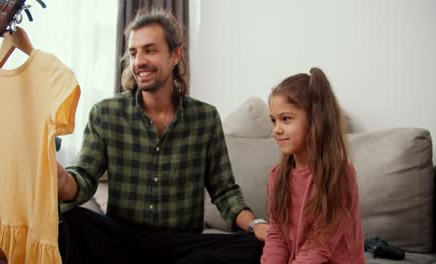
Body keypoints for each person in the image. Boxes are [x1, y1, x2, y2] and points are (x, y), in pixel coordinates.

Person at [56, 8, 267, 264]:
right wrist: (61, 179)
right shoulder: (105, 113)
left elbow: (224, 192)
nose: (139, 61)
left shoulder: (205, 118)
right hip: (122, 240)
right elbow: (84, 178)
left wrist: (256, 225)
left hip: (182, 246)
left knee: (256, 247)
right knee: (64, 221)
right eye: (134, 53)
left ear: (176, 55)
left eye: (150, 50)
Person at [261, 67, 366, 263]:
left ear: (315, 120)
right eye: (273, 120)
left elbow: (318, 248)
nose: (276, 129)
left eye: (286, 119)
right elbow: (276, 236)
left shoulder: (340, 176)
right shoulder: (277, 176)